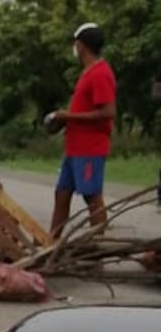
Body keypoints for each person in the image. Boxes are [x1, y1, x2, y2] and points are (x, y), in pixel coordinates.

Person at [46, 22, 117, 236]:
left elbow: (108, 112)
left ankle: (99, 245)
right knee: (62, 193)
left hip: (90, 148)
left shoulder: (100, 73)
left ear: (81, 45)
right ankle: (50, 242)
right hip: (75, 147)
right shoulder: (88, 72)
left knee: (92, 196)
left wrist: (68, 116)